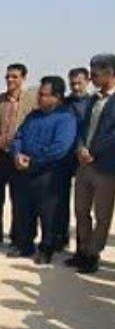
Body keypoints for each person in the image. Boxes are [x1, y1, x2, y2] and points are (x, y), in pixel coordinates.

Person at [10, 76, 77, 264]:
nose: (39, 97)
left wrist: (33, 160)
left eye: (43, 95)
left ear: (57, 97)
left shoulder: (65, 119)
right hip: (25, 172)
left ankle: (47, 249)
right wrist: (17, 154)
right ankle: (25, 245)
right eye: (39, 94)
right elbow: (19, 137)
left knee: (49, 214)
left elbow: (59, 148)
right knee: (24, 210)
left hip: (49, 175)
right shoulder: (33, 116)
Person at [70, 54, 115, 274]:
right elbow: (83, 128)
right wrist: (80, 148)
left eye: (95, 74)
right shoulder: (93, 100)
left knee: (102, 215)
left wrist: (93, 152)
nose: (92, 78)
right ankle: (82, 250)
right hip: (84, 165)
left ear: (110, 74)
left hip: (106, 168)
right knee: (80, 210)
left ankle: (93, 254)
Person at [0, 63, 36, 249]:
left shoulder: (31, 102)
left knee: (18, 199)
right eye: (8, 76)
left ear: (23, 78)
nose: (10, 80)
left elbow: (33, 128)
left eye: (14, 77)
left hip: (18, 156)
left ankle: (16, 236)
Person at [54, 67, 93, 252]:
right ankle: (61, 239)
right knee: (59, 202)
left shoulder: (94, 103)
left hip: (85, 158)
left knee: (82, 206)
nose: (76, 87)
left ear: (88, 81)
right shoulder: (64, 104)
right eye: (73, 83)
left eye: (79, 83)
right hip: (64, 158)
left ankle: (83, 246)